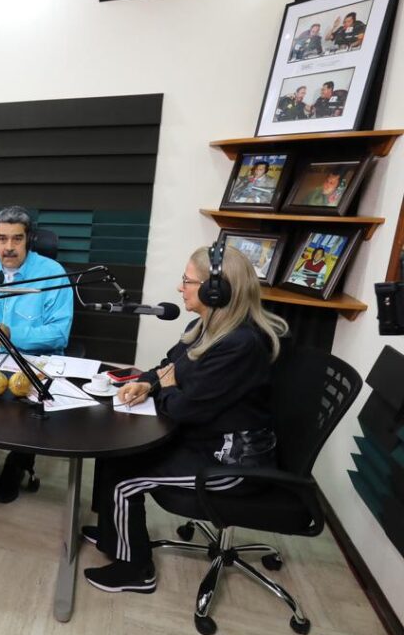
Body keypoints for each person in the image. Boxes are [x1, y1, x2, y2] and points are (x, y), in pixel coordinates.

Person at [82, 245, 289, 593]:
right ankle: (112, 535)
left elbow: (183, 408)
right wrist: (146, 383)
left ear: (216, 291)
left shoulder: (241, 344)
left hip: (233, 461)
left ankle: (136, 570)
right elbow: (169, 367)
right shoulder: (205, 325)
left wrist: (168, 387)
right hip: (203, 437)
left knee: (125, 481)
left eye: (187, 281)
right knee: (113, 450)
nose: (180, 289)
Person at [0, 206, 74, 503]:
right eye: (2, 238)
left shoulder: (53, 275)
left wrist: (11, 335)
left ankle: (17, 463)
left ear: (28, 240)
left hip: (33, 359)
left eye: (16, 239)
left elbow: (59, 333)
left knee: (23, 405)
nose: (8, 247)